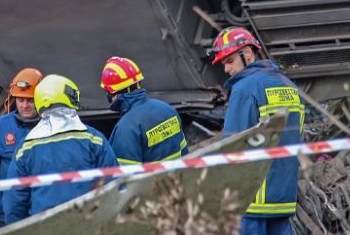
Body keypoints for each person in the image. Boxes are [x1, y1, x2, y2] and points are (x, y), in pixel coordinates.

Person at [210, 26, 304, 235]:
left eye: (229, 61)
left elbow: (232, 144)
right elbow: (298, 133)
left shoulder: (245, 88)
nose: (226, 69)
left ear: (248, 53)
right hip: (283, 196)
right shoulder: (288, 85)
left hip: (251, 200)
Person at [3, 74, 118, 224]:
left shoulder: (25, 148)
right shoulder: (93, 139)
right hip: (88, 224)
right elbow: (114, 185)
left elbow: (14, 203)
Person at [0, 68, 43, 227]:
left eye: (30, 100)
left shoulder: (49, 126)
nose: (25, 105)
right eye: (20, 99)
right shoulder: (0, 128)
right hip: (5, 213)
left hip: (41, 210)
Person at [100, 56, 188, 165]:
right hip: (177, 179)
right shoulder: (168, 109)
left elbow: (124, 177)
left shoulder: (126, 129)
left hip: (154, 182)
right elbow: (184, 152)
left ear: (113, 93)